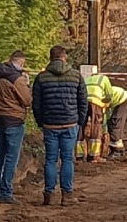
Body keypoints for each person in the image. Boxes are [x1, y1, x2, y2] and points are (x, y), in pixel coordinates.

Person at [31, 45, 88, 206]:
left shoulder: (41, 78)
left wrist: (41, 121)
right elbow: (83, 101)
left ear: (50, 58)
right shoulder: (76, 76)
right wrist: (80, 121)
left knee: (50, 159)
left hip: (50, 125)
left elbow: (36, 103)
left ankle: (48, 194)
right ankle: (67, 195)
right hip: (70, 123)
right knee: (67, 159)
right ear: (65, 57)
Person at [0, 50, 32, 204]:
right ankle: (6, 192)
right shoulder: (17, 79)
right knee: (11, 158)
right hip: (14, 120)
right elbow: (27, 100)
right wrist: (27, 84)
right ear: (21, 62)